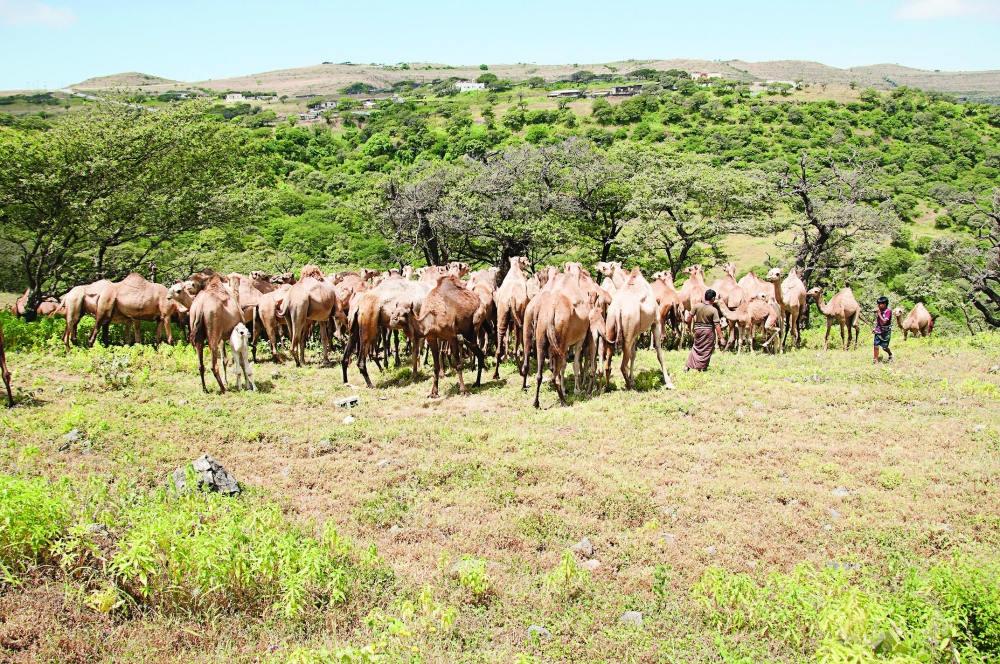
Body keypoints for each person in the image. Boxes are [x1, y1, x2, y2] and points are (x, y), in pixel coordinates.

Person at [686, 289, 725, 372]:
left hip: (697, 330)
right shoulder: (713, 310)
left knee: (695, 347)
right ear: (713, 298)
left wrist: (688, 327)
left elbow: (689, 317)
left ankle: (688, 366)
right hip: (708, 332)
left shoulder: (696, 306)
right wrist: (721, 337)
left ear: (705, 297)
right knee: (707, 350)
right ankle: (702, 368)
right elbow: (717, 324)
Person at [873, 296, 893, 364]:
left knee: (884, 348)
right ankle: (876, 361)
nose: (878, 306)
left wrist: (879, 313)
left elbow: (884, 321)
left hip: (885, 332)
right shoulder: (880, 311)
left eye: (880, 304)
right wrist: (875, 328)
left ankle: (890, 354)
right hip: (878, 331)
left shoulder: (888, 311)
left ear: (884, 304)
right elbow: (878, 321)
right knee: (876, 346)